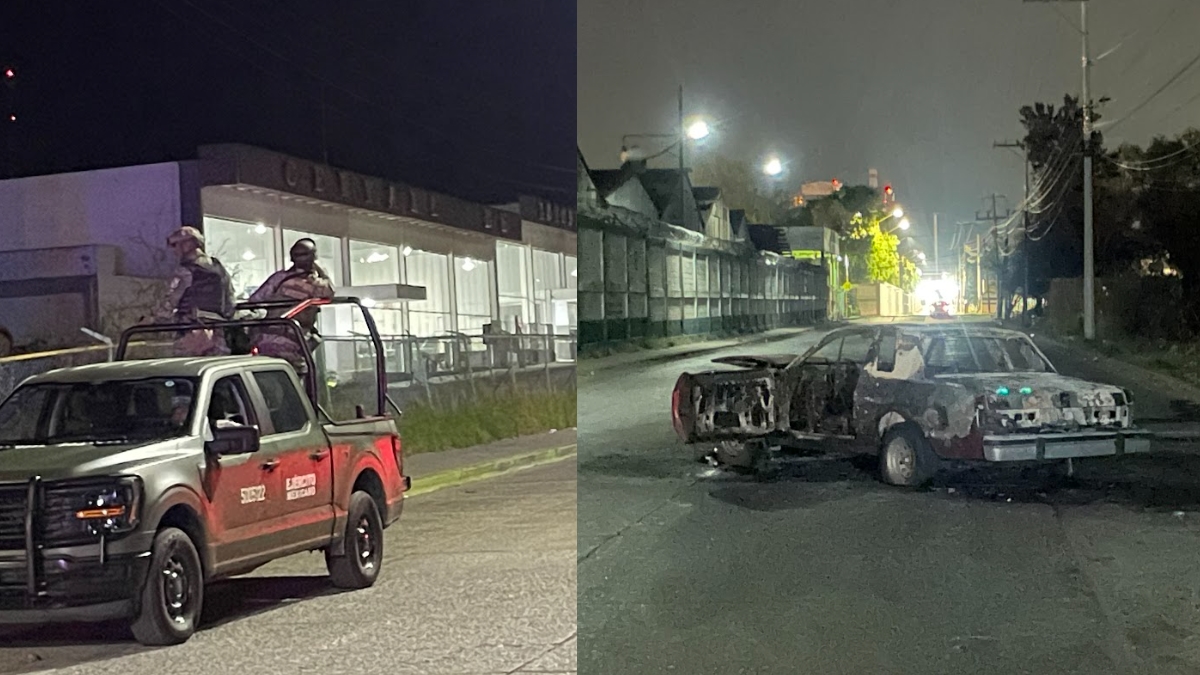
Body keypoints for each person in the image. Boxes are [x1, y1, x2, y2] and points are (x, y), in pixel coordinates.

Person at [248, 238, 335, 378]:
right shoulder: (315, 284)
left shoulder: (279, 278)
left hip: (266, 341)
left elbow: (255, 301)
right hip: (294, 342)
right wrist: (319, 269)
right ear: (313, 257)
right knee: (295, 382)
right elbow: (330, 292)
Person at [153, 226, 235, 356]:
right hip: (219, 335)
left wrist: (154, 320)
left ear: (188, 244)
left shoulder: (185, 271)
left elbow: (170, 301)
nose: (174, 251)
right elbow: (230, 301)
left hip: (192, 333)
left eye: (175, 245)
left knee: (182, 367)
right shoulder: (219, 268)